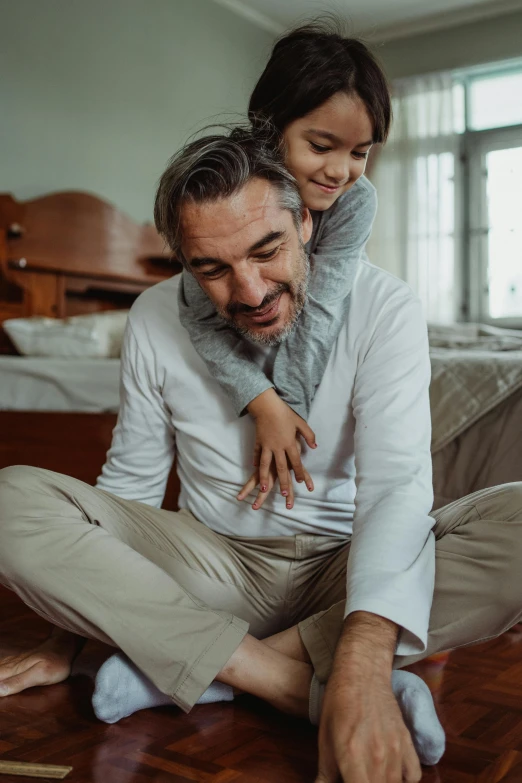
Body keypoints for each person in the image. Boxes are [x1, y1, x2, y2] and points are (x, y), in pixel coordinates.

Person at [1, 131, 522, 783]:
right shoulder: (153, 316)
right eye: (211, 268)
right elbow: (129, 485)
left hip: (348, 566)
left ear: (305, 221)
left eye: (266, 249)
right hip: (212, 568)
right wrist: (71, 622)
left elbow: (396, 490)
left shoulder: (382, 303)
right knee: (8, 501)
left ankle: (201, 667)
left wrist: (362, 654)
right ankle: (290, 681)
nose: (248, 291)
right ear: (183, 261)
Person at [179, 23, 389, 509]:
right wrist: (263, 402)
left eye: (360, 152)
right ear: (269, 128)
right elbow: (198, 316)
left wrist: (289, 408)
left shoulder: (354, 200)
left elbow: (320, 306)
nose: (341, 171)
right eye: (321, 147)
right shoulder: (224, 198)